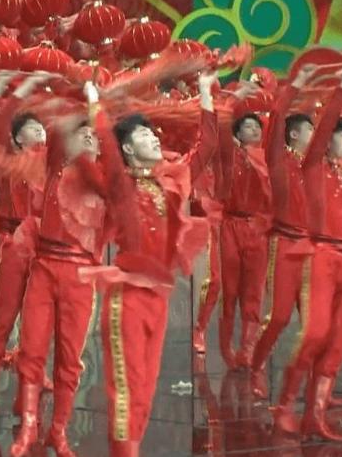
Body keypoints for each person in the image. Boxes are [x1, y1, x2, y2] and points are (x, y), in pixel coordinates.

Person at [81, 73, 217, 457]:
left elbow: (205, 148)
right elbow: (107, 150)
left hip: (158, 296)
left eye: (153, 133)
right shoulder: (120, 185)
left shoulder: (167, 183)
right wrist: (94, 102)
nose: (155, 138)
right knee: (126, 388)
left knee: (146, 390)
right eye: (144, 135)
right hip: (128, 296)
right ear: (126, 148)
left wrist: (205, 92)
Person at [271, 60, 342, 440]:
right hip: (322, 257)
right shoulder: (313, 167)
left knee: (338, 341)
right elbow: (326, 126)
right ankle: (285, 405)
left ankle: (316, 415)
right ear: (327, 141)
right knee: (314, 334)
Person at [10, 99, 104, 457]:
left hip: (80, 276)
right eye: (82, 133)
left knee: (69, 359)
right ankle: (28, 428)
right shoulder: (54, 167)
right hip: (45, 268)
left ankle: (58, 431)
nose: (89, 138)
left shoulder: (104, 180)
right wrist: (86, 100)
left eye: (94, 135)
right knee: (32, 350)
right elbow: (56, 125)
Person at [0, 73, 50, 422]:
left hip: (43, 248)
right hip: (12, 244)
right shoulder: (5, 160)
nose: (41, 133)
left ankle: (33, 373)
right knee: (2, 318)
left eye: (42, 128)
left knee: (38, 320)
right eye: (34, 129)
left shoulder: (51, 165)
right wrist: (16, 87)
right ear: (17, 138)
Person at [248, 65, 319, 395]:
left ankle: (314, 387)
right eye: (310, 131)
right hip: (285, 245)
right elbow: (276, 120)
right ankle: (256, 367)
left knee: (315, 323)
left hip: (312, 248)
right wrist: (294, 87)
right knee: (278, 317)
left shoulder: (316, 166)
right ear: (293, 135)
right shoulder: (280, 160)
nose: (316, 136)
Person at [217, 109, 272, 368]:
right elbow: (219, 132)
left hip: (258, 229)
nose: (254, 130)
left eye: (257, 126)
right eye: (248, 126)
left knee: (253, 293)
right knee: (230, 291)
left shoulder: (268, 159)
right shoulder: (230, 156)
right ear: (237, 133)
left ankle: (248, 349)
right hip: (231, 226)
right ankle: (226, 347)